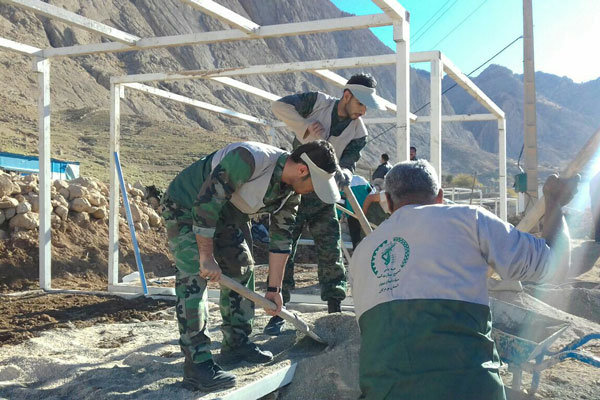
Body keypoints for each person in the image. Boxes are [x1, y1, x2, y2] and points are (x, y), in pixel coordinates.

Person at [350, 160, 577, 400]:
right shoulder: (470, 219)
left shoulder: (363, 252)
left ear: (387, 200)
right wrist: (554, 201)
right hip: (470, 390)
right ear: (439, 196)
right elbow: (556, 266)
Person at [161, 140, 340, 392]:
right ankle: (197, 364)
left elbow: (281, 240)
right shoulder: (249, 159)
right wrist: (206, 255)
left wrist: (274, 288)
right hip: (187, 206)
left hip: (226, 214)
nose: (313, 191)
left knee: (242, 266)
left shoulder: (290, 194)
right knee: (194, 276)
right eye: (315, 183)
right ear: (302, 170)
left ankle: (236, 343)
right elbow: (206, 204)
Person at [265, 73, 386, 334]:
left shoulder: (359, 132)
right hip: (294, 188)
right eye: (361, 104)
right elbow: (279, 106)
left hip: (323, 194)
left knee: (331, 249)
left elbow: (350, 162)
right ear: (346, 96)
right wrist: (305, 127)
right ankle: (277, 313)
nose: (363, 112)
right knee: (284, 248)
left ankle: (334, 308)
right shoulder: (316, 103)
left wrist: (345, 173)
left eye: (367, 107)